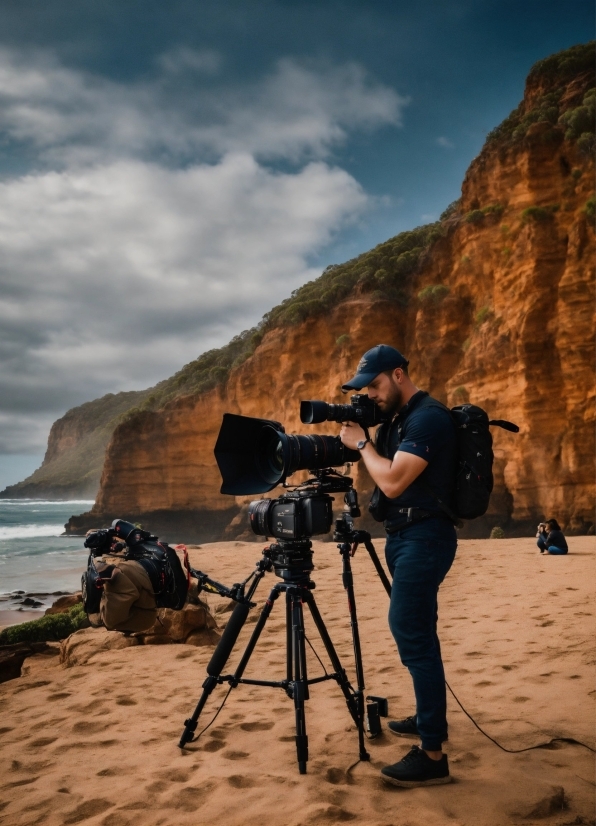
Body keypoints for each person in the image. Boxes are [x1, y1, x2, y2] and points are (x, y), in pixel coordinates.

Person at [339, 343, 457, 787]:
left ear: (399, 375)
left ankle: (432, 755)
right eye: (363, 388)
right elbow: (384, 480)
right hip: (403, 536)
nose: (369, 394)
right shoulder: (398, 422)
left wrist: (362, 443)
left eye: (374, 384)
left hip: (425, 539)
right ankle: (430, 719)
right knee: (420, 631)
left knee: (409, 629)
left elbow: (391, 479)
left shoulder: (428, 418)